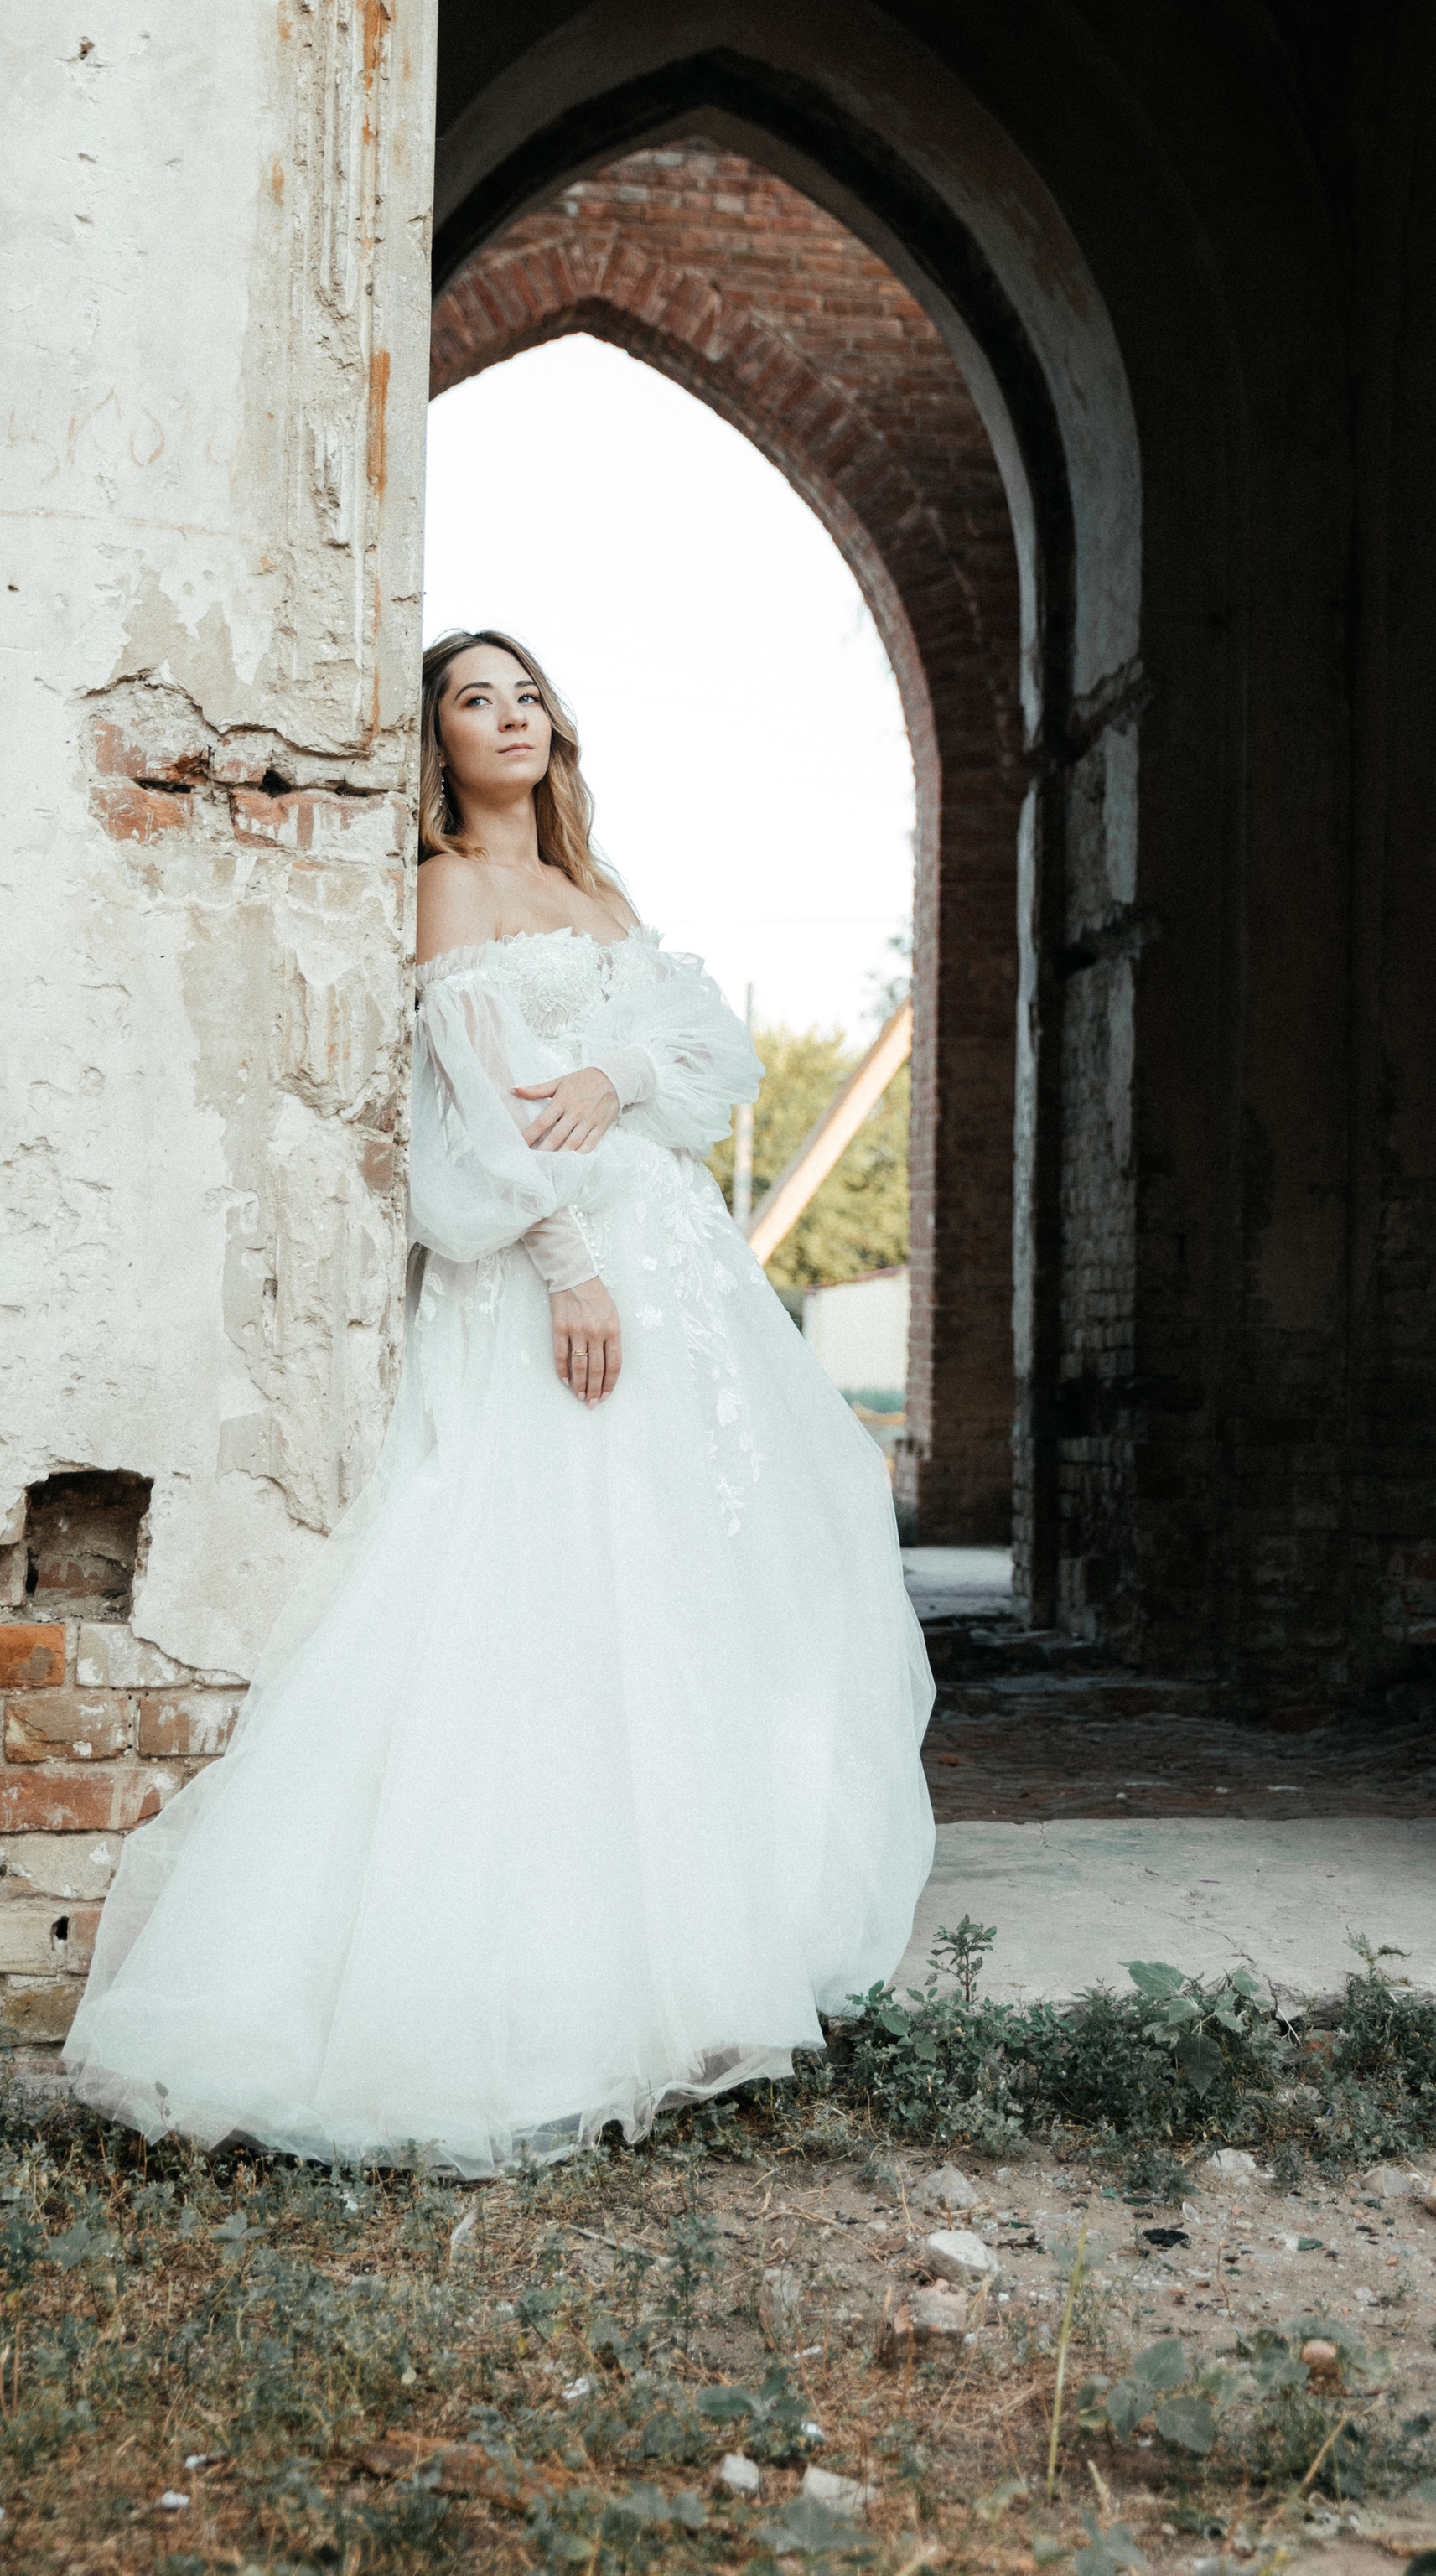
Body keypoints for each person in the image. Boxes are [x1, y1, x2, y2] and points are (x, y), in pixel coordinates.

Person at [64, 630, 936, 2169]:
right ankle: (532, 1982)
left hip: (684, 1280)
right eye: (475, 698)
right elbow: (464, 1112)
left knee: (691, 1581)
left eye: (526, 691)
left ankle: (710, 1941)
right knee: (537, 1589)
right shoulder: (451, 883)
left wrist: (615, 1081)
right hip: (557, 1278)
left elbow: (702, 1059)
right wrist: (568, 1261)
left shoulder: (605, 896)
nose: (510, 715)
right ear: (436, 741)